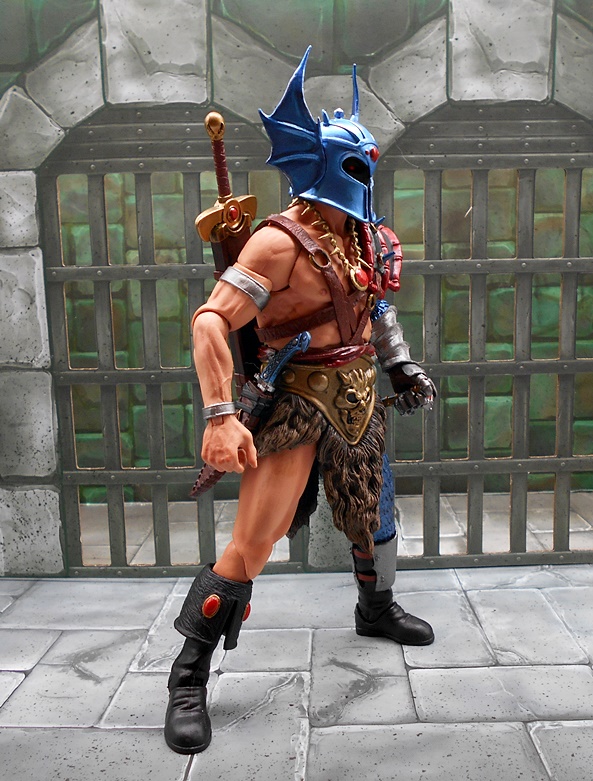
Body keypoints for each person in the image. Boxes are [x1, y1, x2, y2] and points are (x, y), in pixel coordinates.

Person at [164, 47, 436, 755]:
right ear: (320, 165)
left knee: (374, 518)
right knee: (254, 541)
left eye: (368, 163)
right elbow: (209, 322)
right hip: (298, 401)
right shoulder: (276, 243)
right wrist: (220, 416)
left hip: (359, 394)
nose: (365, 175)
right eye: (355, 165)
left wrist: (399, 364)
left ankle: (374, 608)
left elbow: (373, 308)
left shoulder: (365, 235)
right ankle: (188, 676)